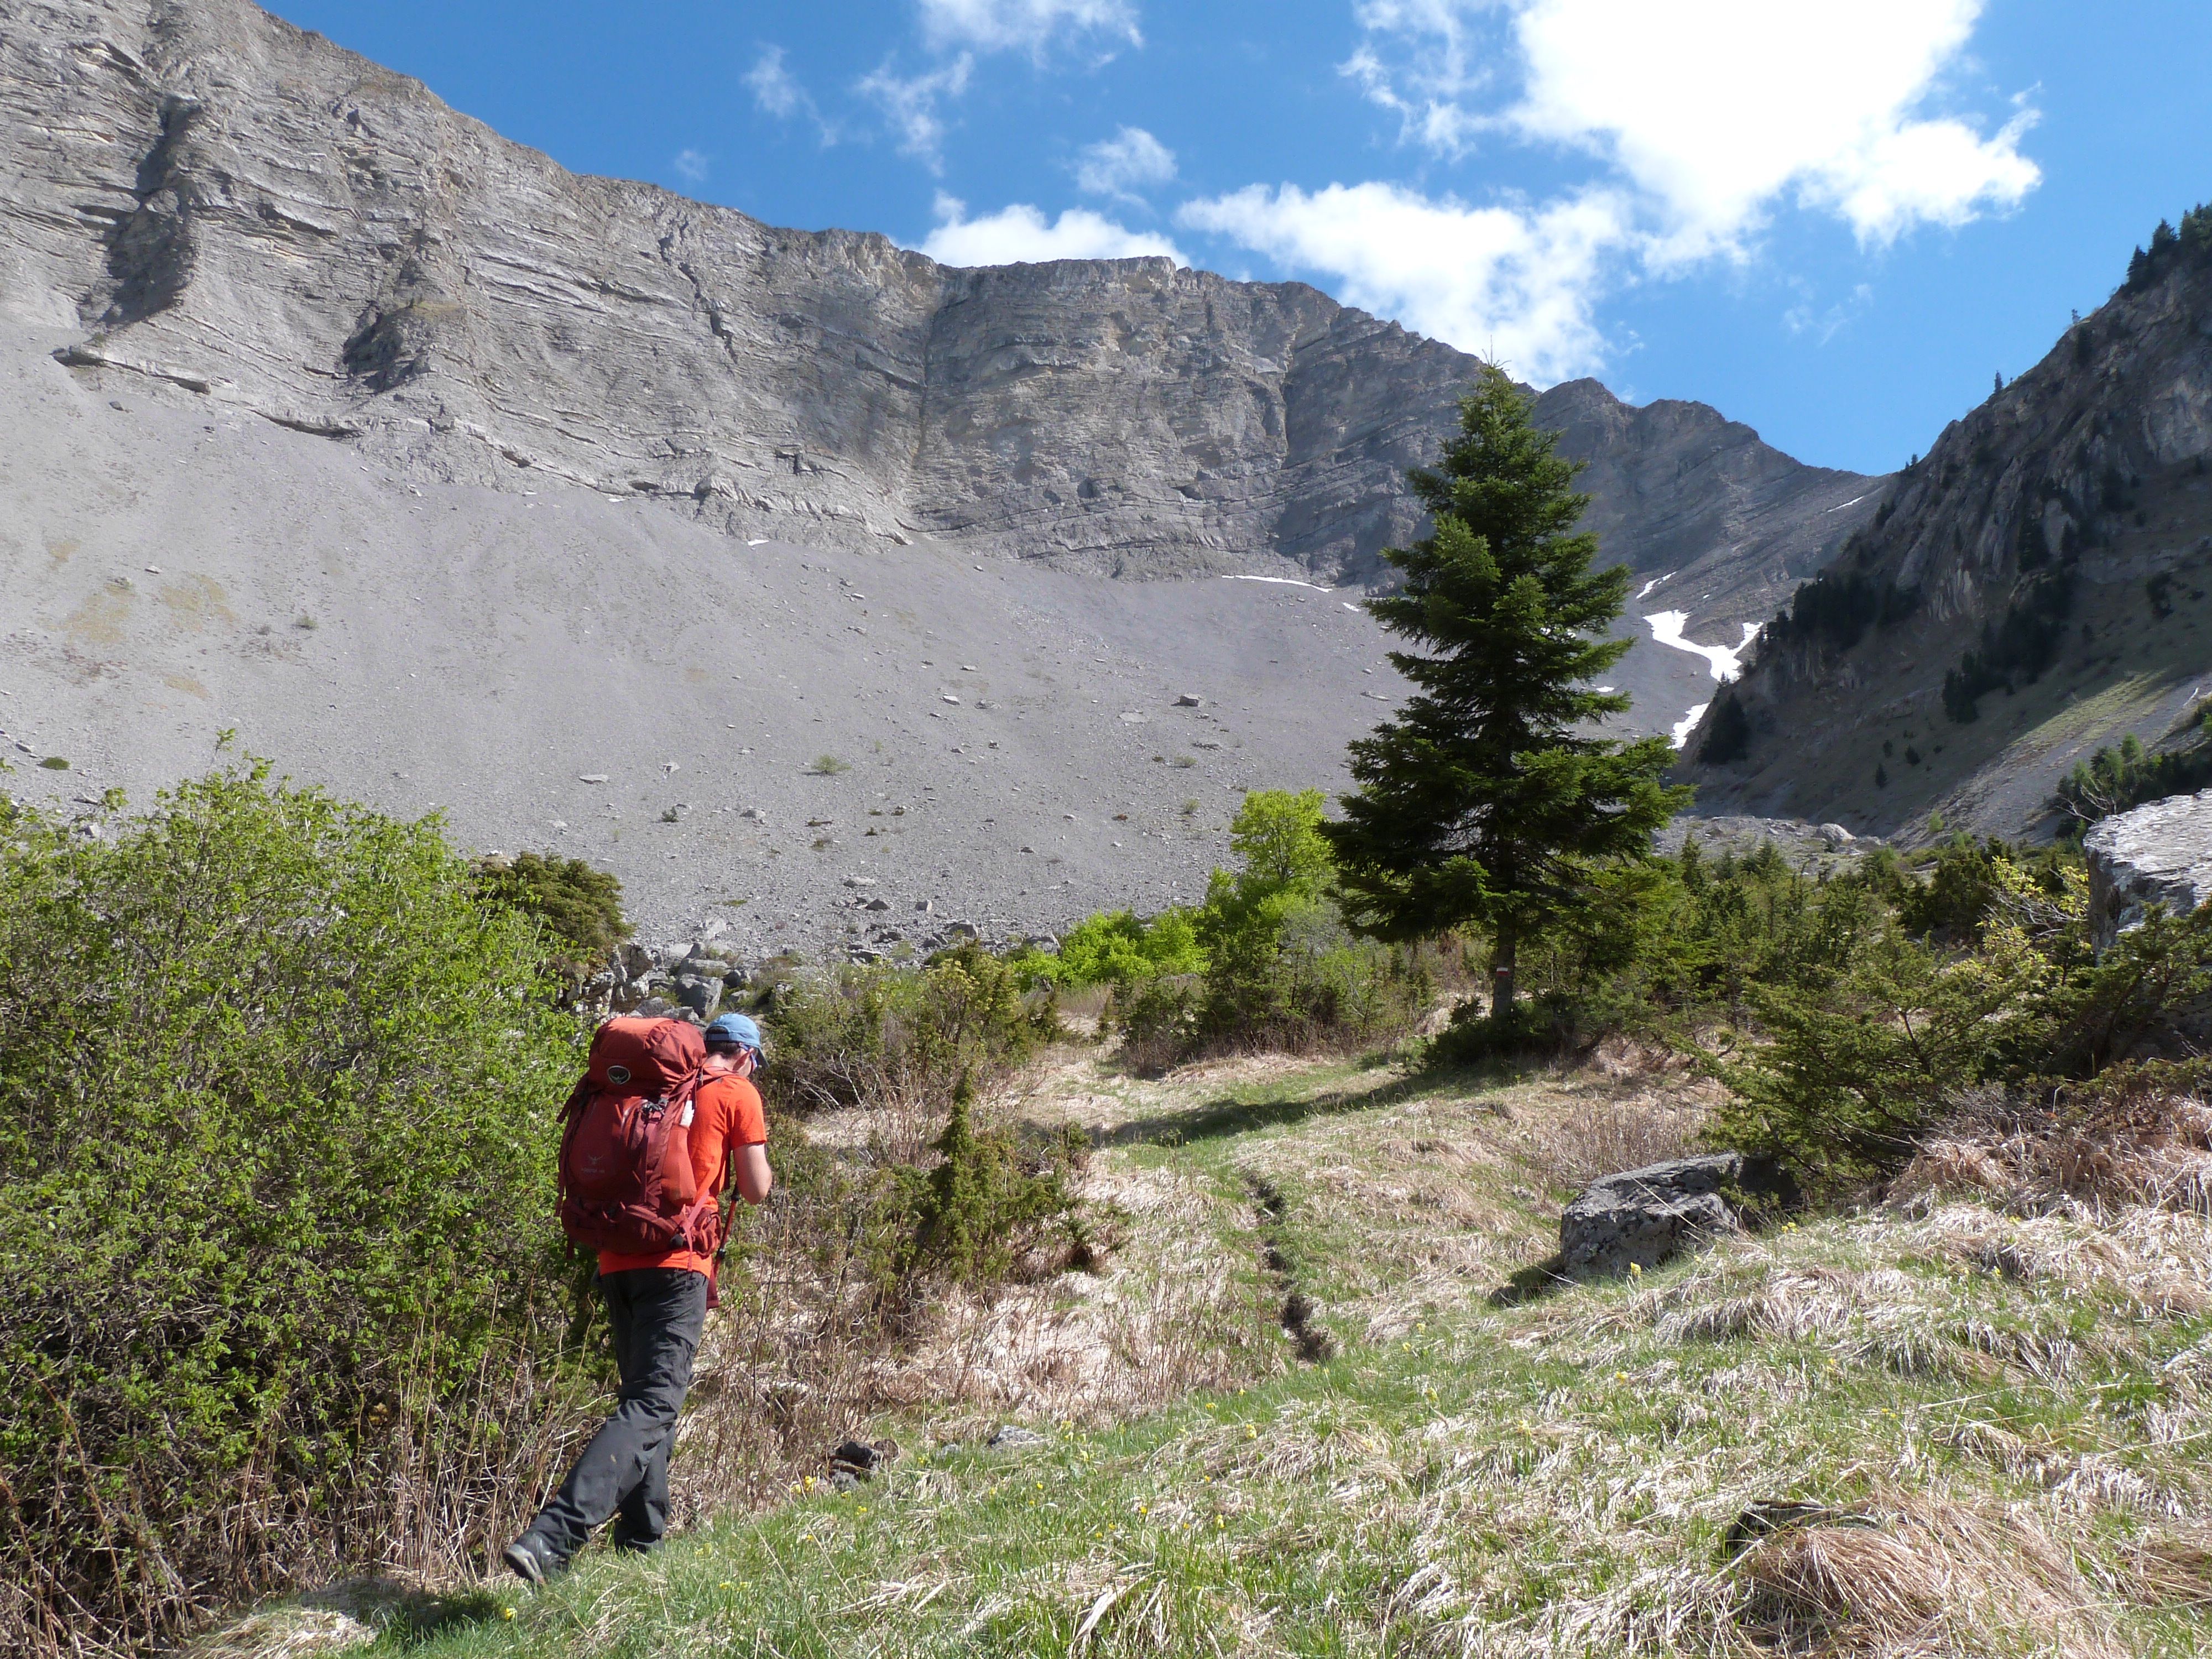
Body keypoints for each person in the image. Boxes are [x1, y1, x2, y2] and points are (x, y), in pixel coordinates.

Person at [504, 1013, 773, 1582]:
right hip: (678, 1266)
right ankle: (554, 1537)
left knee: (647, 1405)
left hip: (615, 1260)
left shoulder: (653, 1088)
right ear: (746, 1055)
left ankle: (640, 1547)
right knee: (653, 1405)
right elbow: (756, 1188)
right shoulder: (735, 1090)